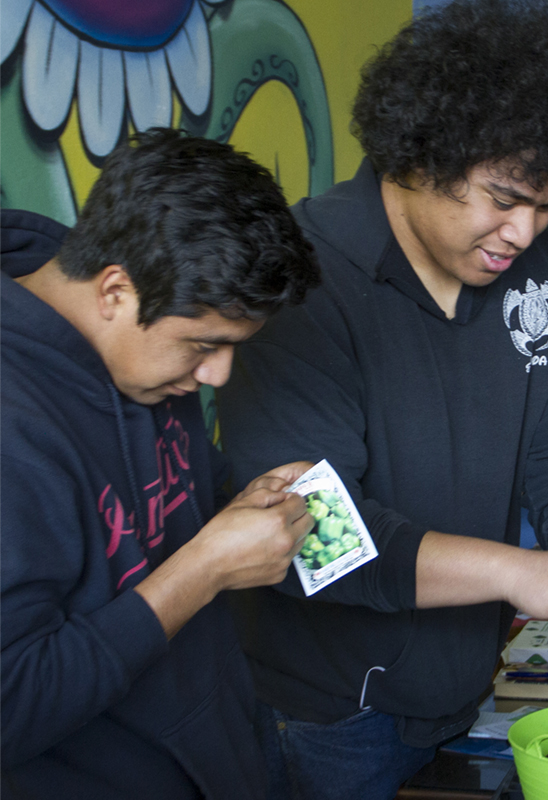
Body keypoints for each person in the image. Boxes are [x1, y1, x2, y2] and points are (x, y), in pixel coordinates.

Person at [215, 1, 548, 797]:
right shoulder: (301, 275)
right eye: (504, 198)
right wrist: (521, 574)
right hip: (328, 716)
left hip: (473, 688)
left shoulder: (544, 269)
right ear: (418, 155)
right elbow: (314, 533)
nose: (524, 233)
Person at [0, 128, 322, 799]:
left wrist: (239, 506)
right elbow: (14, 704)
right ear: (115, 290)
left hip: (221, 748)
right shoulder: (15, 427)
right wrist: (204, 570)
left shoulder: (146, 360)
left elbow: (168, 506)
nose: (216, 374)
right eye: (203, 344)